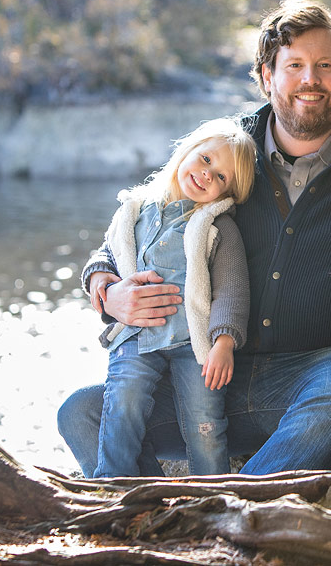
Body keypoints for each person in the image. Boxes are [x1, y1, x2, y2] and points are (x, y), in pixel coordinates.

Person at [58, 0, 331, 477]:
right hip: (204, 373)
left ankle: (234, 503)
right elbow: (145, 214)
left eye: (326, 65)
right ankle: (147, 505)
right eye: (295, 66)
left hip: (318, 375)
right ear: (266, 76)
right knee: (81, 412)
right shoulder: (226, 150)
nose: (311, 79)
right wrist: (105, 289)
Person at [93, 119, 255, 477]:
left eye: (222, 178)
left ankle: (211, 496)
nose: (208, 175)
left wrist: (224, 342)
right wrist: (100, 279)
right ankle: (114, 486)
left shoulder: (217, 227)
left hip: (193, 344)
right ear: (186, 151)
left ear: (228, 195)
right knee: (123, 402)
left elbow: (232, 288)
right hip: (137, 333)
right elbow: (109, 250)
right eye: (206, 159)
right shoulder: (136, 209)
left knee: (205, 424)